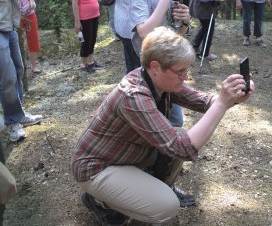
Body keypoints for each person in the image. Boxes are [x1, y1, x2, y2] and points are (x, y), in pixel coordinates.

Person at [71, 27, 255, 226]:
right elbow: (182, 147)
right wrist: (222, 103)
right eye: (181, 71)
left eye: (187, 69)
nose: (186, 76)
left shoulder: (157, 80)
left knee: (178, 132)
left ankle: (134, 195)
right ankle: (102, 202)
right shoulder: (134, 95)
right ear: (156, 67)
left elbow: (203, 101)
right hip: (96, 168)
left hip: (125, 156)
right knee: (167, 207)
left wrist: (232, 97)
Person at [129, 0, 190, 129]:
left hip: (171, 66)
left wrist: (186, 21)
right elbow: (144, 32)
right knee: (159, 120)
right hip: (153, 71)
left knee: (174, 119)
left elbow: (177, 32)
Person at [0, 0, 42, 142]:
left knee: (18, 69)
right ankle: (12, 122)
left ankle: (17, 113)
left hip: (7, 22)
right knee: (7, 76)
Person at [71, 0, 103, 73]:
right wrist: (77, 21)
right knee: (87, 40)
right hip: (85, 16)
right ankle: (86, 64)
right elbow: (74, 2)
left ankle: (90, 62)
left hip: (94, 14)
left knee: (92, 38)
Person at [12, 0, 41, 74]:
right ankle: (19, 68)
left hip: (29, 11)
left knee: (33, 39)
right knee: (16, 41)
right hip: (16, 14)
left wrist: (31, 0)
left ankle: (33, 67)